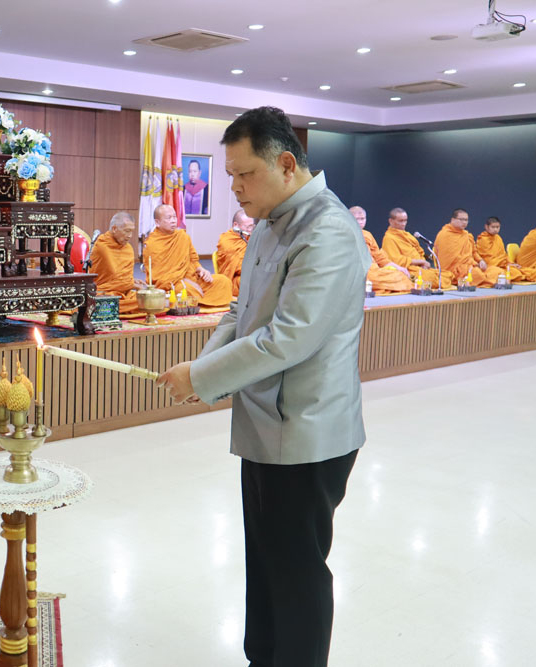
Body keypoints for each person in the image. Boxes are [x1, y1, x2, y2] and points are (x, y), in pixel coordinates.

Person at [157, 106, 368, 667]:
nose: (235, 188)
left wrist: (202, 378)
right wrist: (201, 369)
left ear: (286, 164)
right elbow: (240, 312)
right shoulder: (270, 221)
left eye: (244, 174)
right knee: (267, 559)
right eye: (230, 175)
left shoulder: (327, 230)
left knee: (297, 570)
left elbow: (288, 339)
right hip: (263, 423)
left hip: (306, 431)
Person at [143, 204, 232, 308]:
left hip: (193, 279)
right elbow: (158, 278)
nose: (173, 221)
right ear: (157, 222)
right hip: (172, 285)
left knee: (223, 281)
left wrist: (201, 270)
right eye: (169, 218)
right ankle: (200, 299)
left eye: (174, 217)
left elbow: (193, 260)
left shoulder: (183, 236)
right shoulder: (152, 244)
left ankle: (198, 300)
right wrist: (184, 280)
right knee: (184, 290)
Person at [89, 212, 146, 317]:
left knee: (144, 300)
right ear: (114, 229)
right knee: (107, 302)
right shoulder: (103, 246)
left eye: (132, 231)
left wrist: (131, 281)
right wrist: (132, 285)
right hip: (105, 292)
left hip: (124, 293)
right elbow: (114, 276)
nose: (130, 236)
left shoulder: (128, 248)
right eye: (127, 231)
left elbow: (120, 278)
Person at [381, 207, 453, 289]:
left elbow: (420, 252)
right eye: (400, 221)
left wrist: (423, 263)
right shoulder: (389, 238)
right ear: (391, 221)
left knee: (446, 274)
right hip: (406, 271)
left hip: (419, 268)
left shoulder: (407, 235)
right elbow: (395, 260)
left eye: (405, 220)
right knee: (431, 280)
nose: (404, 224)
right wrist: (420, 262)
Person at [349, 205, 413, 294]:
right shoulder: (343, 235)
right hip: (357, 273)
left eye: (362, 219)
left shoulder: (368, 235)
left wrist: (399, 268)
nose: (360, 222)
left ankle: (381, 289)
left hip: (374, 272)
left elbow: (380, 258)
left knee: (400, 275)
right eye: (357, 219)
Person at [434, 209, 503, 287]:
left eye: (466, 220)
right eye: (461, 219)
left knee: (498, 271)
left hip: (470, 267)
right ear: (453, 219)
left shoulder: (467, 235)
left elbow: (474, 252)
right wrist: (466, 266)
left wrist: (480, 260)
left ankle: (481, 280)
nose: (464, 222)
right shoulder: (444, 235)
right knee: (478, 274)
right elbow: (446, 260)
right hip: (454, 271)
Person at [476, 216, 536, 282]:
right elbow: (487, 259)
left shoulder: (498, 238)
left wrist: (510, 263)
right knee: (498, 273)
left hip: (502, 265)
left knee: (516, 272)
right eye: (493, 227)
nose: (495, 229)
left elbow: (503, 255)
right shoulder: (483, 239)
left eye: (497, 227)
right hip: (491, 266)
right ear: (486, 227)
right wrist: (503, 263)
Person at [213, 209, 255, 297]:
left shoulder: (247, 237)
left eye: (252, 226)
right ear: (236, 225)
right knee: (256, 283)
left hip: (249, 274)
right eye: (248, 227)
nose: (250, 230)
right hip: (233, 280)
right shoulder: (227, 240)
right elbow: (241, 267)